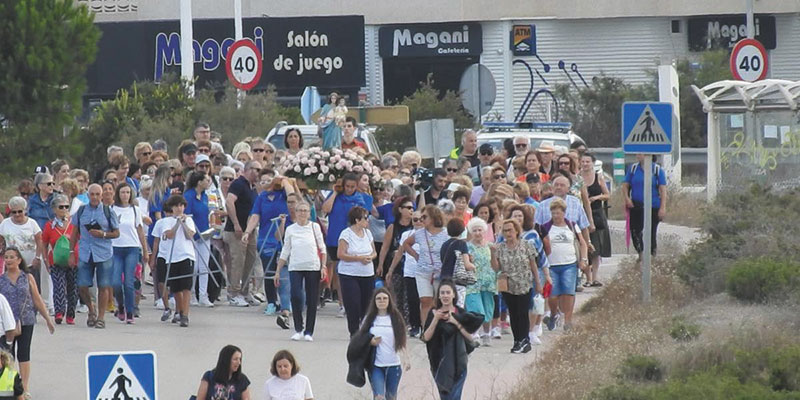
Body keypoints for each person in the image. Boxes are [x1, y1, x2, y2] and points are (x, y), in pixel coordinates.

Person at [0, 248, 55, 396]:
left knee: (24, 354)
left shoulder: (28, 277)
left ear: (19, 260)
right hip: (6, 324)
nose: (9, 260)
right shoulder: (1, 279)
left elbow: (36, 298)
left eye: (12, 257)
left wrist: (48, 319)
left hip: (26, 320)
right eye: (6, 257)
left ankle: (24, 388)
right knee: (7, 355)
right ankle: (10, 385)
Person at [242, 171, 295, 318]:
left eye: (269, 180)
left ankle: (287, 301)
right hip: (266, 238)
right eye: (263, 181)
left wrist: (283, 181)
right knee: (269, 272)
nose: (267, 183)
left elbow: (292, 196)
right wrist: (247, 232)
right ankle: (272, 302)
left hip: (284, 237)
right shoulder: (261, 198)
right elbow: (255, 216)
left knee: (285, 271)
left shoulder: (282, 194)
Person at [69, 184, 121, 329]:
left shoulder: (108, 211)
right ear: (88, 195)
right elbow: (74, 232)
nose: (95, 197)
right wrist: (71, 252)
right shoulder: (81, 211)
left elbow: (117, 233)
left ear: (102, 195)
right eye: (92, 194)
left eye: (98, 194)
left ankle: (101, 317)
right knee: (82, 285)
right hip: (86, 252)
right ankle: (91, 310)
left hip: (103, 252)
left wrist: (103, 234)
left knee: (104, 286)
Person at [422, 280, 482, 400]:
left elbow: (472, 338)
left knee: (454, 397)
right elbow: (426, 337)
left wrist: (456, 323)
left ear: (453, 294)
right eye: (442, 293)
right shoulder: (433, 313)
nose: (445, 295)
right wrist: (435, 319)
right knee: (445, 396)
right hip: (439, 363)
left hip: (458, 362)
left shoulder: (460, 313)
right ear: (438, 295)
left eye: (448, 292)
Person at [274, 201, 326, 342]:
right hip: (295, 266)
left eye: (305, 210)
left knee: (312, 299)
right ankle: (298, 328)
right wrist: (278, 271)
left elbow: (322, 248)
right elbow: (285, 250)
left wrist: (323, 266)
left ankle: (309, 331)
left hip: (312, 267)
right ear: (295, 213)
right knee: (296, 296)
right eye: (300, 210)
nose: (303, 213)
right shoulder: (291, 229)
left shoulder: (314, 227)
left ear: (309, 213)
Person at [321, 173, 371, 316]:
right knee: (338, 271)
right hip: (335, 237)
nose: (349, 189)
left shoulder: (361, 198)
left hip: (353, 238)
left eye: (352, 187)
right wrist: (336, 192)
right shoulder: (336, 195)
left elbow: (364, 219)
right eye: (347, 186)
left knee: (350, 270)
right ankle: (342, 304)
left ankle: (352, 302)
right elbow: (326, 209)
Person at [491, 219, 541, 353]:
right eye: (505, 230)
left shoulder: (526, 245)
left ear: (517, 231)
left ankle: (525, 339)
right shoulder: (500, 248)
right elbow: (496, 268)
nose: (508, 233)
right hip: (508, 285)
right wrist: (492, 254)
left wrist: (538, 282)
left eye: (510, 230)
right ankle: (517, 340)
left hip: (524, 283)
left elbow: (533, 265)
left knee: (522, 312)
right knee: (513, 314)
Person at [541, 199, 588, 331]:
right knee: (552, 295)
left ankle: (568, 320)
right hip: (551, 265)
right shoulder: (545, 227)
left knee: (568, 292)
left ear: (564, 213)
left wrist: (583, 259)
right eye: (553, 213)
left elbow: (582, 243)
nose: (556, 216)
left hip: (569, 264)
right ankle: (554, 314)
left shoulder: (572, 225)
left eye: (558, 213)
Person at [150, 195, 196, 327]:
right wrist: (177, 223)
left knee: (186, 286)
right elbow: (169, 235)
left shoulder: (189, 220)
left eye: (181, 206)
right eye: (176, 206)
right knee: (176, 288)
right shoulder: (166, 221)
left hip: (186, 255)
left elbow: (190, 235)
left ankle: (185, 315)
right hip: (172, 257)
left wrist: (184, 222)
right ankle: (180, 311)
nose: (179, 208)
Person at [356, 288, 409, 400]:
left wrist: (406, 358)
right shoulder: (369, 319)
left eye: (385, 298)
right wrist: (370, 341)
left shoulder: (396, 318)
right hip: (375, 365)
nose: (382, 301)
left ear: (389, 301)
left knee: (391, 396)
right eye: (378, 299)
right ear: (374, 301)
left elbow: (401, 339)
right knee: (379, 396)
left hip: (393, 364)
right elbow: (360, 338)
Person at [224, 161, 261, 307]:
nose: (258, 172)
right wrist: (236, 223)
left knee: (250, 260)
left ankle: (245, 291)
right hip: (236, 230)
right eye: (256, 169)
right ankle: (234, 292)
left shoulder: (252, 188)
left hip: (249, 230)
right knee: (237, 261)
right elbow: (229, 202)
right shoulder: (238, 184)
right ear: (248, 170)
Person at [110, 183, 149, 324]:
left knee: (129, 282)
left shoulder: (135, 210)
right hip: (116, 248)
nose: (125, 195)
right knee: (115, 282)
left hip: (132, 248)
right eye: (122, 192)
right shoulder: (112, 209)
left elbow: (140, 230)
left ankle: (130, 311)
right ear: (118, 194)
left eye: (127, 192)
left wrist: (145, 250)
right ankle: (120, 305)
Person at [337, 207, 377, 336]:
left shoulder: (368, 233)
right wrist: (358, 258)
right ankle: (354, 332)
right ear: (357, 220)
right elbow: (341, 254)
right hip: (349, 274)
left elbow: (374, 251)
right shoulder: (346, 234)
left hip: (367, 273)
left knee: (367, 304)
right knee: (353, 303)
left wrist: (371, 257)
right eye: (365, 218)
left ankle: (365, 331)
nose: (367, 221)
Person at [41, 195, 78, 325]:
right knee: (59, 286)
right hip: (56, 260)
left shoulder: (74, 223)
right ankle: (59, 312)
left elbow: (80, 238)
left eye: (66, 207)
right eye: (61, 207)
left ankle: (70, 314)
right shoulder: (49, 225)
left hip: (73, 260)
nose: (64, 209)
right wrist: (45, 259)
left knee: (72, 287)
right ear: (54, 209)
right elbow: (44, 243)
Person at [622, 154, 667, 258]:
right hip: (636, 204)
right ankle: (641, 253)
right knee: (635, 230)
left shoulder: (657, 170)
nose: (638, 155)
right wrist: (627, 198)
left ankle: (652, 255)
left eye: (641, 152)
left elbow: (663, 190)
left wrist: (663, 207)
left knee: (651, 232)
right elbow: (625, 185)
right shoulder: (633, 168)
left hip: (653, 205)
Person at [387, 209, 423, 337]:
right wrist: (390, 270)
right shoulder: (406, 235)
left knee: (424, 300)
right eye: (415, 220)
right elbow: (399, 253)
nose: (418, 222)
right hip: (410, 271)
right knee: (412, 299)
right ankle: (414, 326)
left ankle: (424, 325)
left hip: (425, 272)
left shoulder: (428, 234)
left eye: (421, 219)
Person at [463, 218, 496, 346]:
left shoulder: (490, 246)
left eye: (480, 230)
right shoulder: (467, 247)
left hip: (488, 282)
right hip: (473, 282)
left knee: (488, 310)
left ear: (484, 231)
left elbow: (495, 264)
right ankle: (474, 334)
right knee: (476, 309)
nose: (477, 233)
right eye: (474, 230)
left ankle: (486, 334)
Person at [183, 172, 214, 307]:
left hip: (204, 234)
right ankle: (191, 294)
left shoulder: (205, 196)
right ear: (199, 182)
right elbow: (187, 215)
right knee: (194, 267)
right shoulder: (189, 196)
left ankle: (203, 295)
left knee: (204, 266)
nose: (209, 182)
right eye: (206, 180)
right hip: (192, 235)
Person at [580, 152, 611, 286]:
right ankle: (587, 277)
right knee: (584, 246)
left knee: (597, 246)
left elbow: (607, 195)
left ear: (593, 163)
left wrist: (596, 198)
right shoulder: (577, 178)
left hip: (597, 213)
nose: (585, 164)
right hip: (582, 214)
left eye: (588, 161)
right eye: (583, 161)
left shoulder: (599, 177)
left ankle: (595, 277)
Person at [439, 219, 475, 306]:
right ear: (462, 230)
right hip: (458, 280)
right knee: (458, 308)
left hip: (445, 280)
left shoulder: (444, 245)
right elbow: (467, 265)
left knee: (446, 306)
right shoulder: (461, 244)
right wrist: (474, 266)